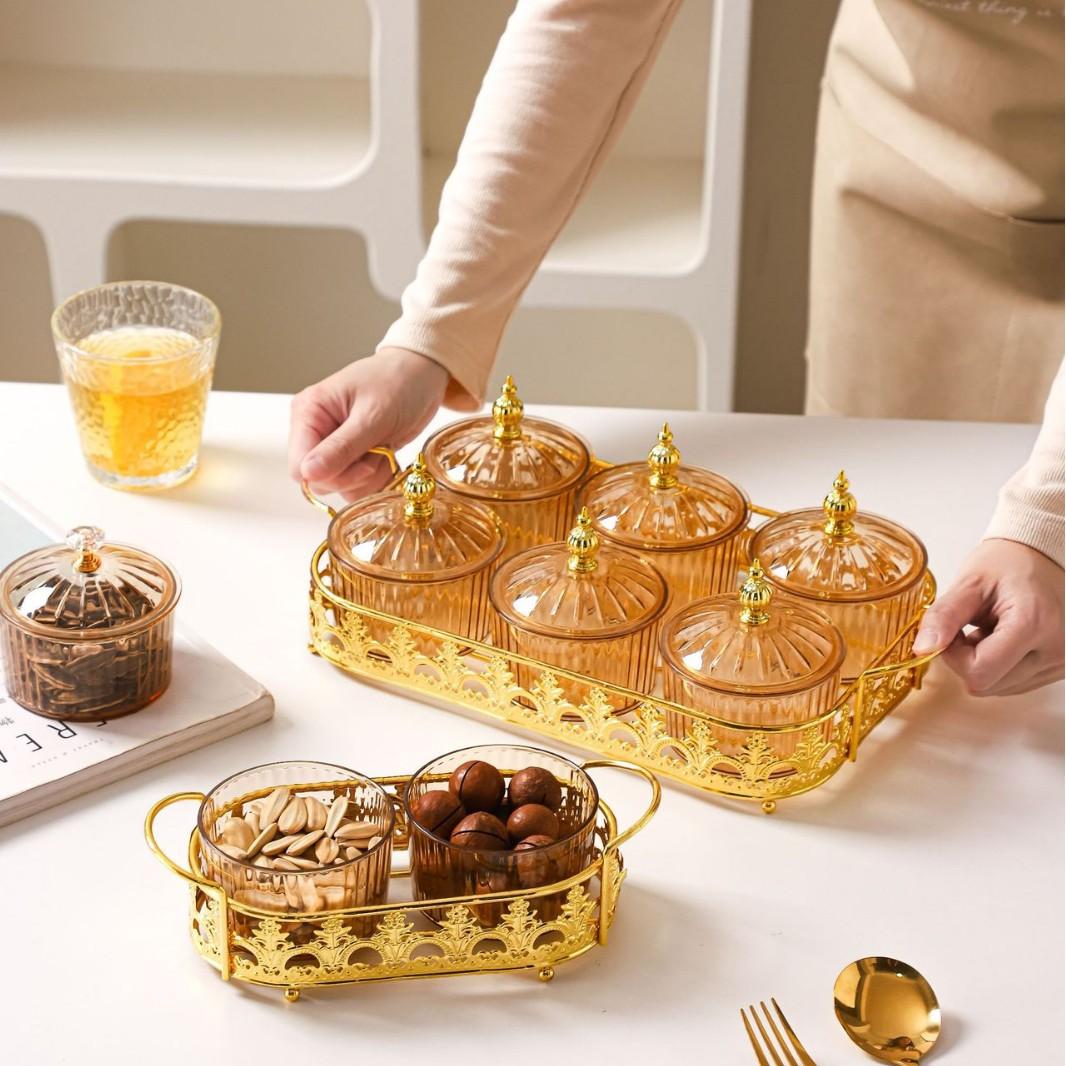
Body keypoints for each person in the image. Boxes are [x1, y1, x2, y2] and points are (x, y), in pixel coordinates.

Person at [288, 0, 1064, 696]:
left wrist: (1048, 523)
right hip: (903, 140)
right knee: (893, 496)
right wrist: (430, 336)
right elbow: (589, 11)